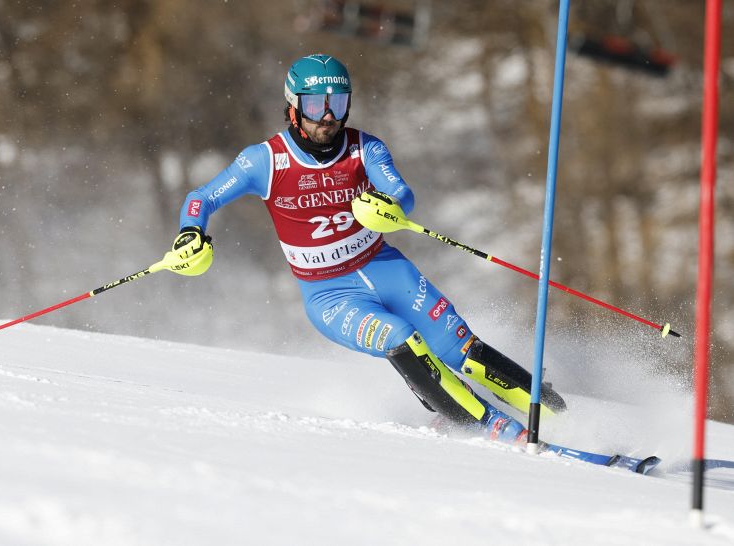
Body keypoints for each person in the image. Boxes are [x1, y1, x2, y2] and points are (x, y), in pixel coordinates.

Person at [160, 54, 565, 443]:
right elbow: (202, 197)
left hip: (385, 268)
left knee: (462, 349)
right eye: (316, 105)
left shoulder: (363, 148)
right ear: (293, 107)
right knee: (403, 340)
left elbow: (401, 193)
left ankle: (559, 416)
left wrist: (391, 206)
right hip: (330, 295)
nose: (328, 116)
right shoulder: (264, 161)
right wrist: (190, 232)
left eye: (337, 102)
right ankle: (501, 431)